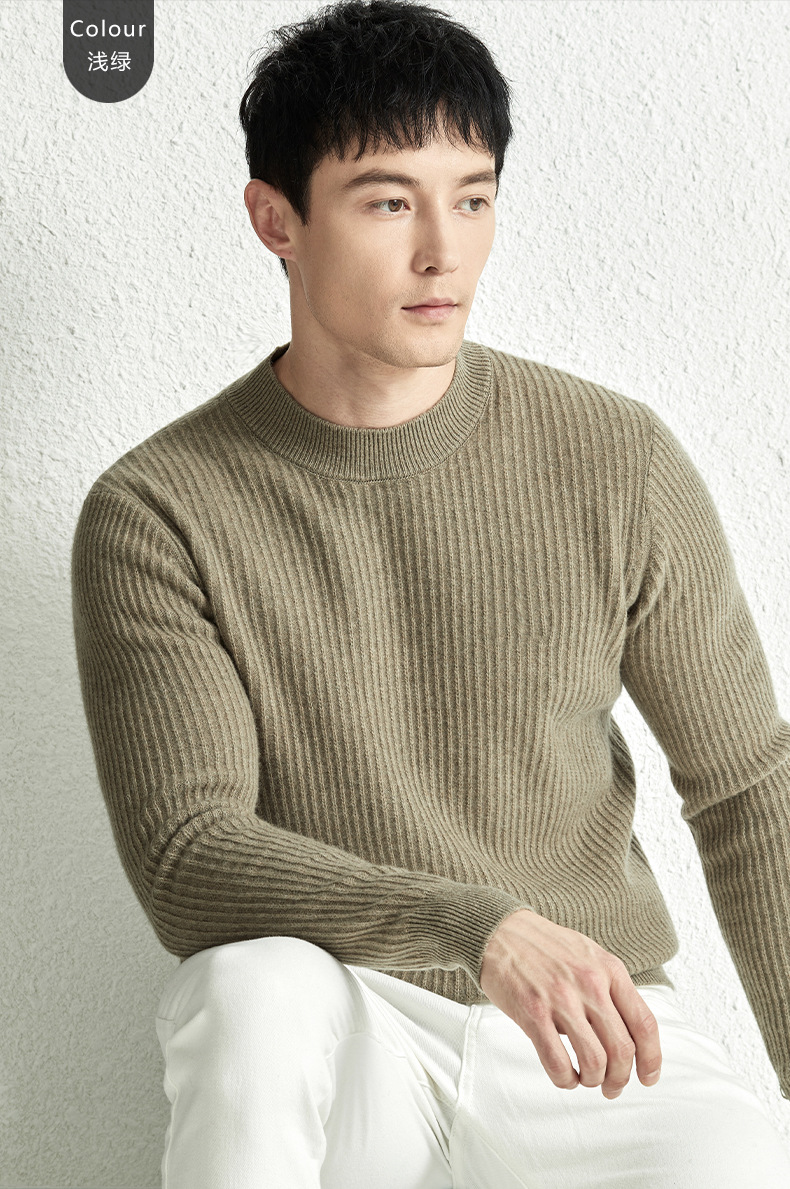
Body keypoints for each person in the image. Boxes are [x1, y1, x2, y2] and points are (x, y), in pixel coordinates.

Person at [70, 1, 790, 1185]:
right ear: (276, 220)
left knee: (732, 1161)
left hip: (583, 1022)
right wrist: (474, 922)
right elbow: (188, 855)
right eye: (388, 203)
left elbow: (747, 787)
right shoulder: (161, 507)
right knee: (250, 993)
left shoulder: (615, 458)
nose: (442, 252)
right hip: (342, 1013)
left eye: (473, 198)